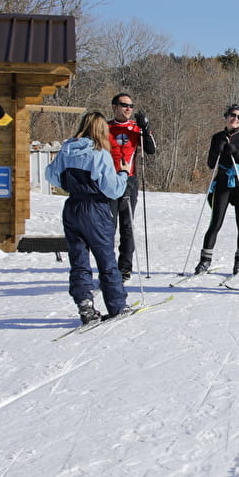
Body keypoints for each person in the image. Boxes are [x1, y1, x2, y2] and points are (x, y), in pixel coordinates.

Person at [46, 111, 130, 323]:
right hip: (95, 207)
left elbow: (51, 175)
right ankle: (117, 305)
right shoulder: (99, 153)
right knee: (105, 258)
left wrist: (69, 183)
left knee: (79, 258)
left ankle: (84, 302)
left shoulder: (66, 150)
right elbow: (112, 190)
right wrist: (123, 175)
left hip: (72, 206)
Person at [194, 104, 239, 275]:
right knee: (215, 222)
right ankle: (204, 260)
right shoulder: (217, 137)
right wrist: (218, 149)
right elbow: (210, 164)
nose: (235, 119)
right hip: (222, 182)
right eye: (232, 115)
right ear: (226, 116)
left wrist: (236, 152)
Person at [108, 93, 156, 280]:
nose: (128, 109)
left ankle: (125, 267)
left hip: (129, 180)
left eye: (131, 106)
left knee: (127, 226)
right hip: (109, 181)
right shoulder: (105, 126)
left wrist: (145, 127)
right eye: (124, 105)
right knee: (108, 226)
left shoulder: (136, 128)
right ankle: (109, 266)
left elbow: (151, 150)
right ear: (114, 106)